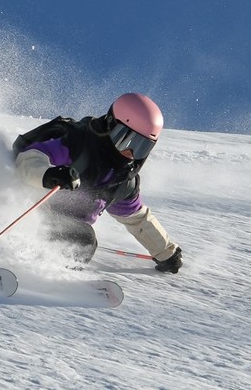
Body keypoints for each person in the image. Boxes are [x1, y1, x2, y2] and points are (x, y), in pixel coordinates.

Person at [11, 92, 183, 273]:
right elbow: (28, 160)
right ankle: (41, 273)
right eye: (126, 140)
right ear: (111, 124)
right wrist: (48, 174)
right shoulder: (76, 144)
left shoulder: (122, 181)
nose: (130, 153)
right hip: (26, 212)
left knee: (82, 239)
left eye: (142, 147)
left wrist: (166, 252)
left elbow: (138, 219)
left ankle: (51, 271)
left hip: (66, 227)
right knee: (84, 240)